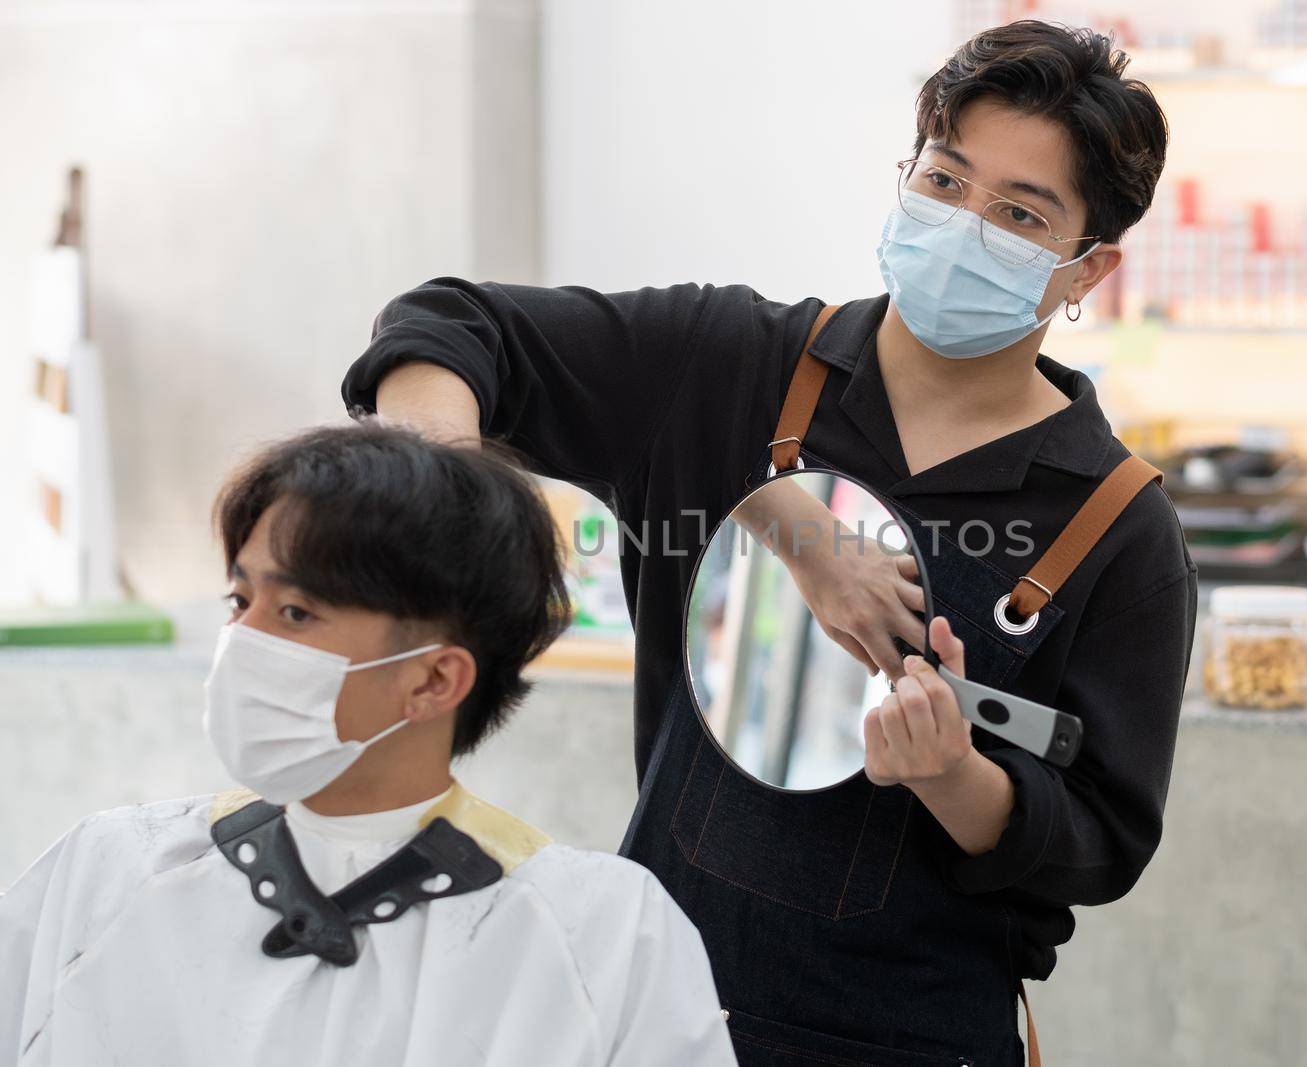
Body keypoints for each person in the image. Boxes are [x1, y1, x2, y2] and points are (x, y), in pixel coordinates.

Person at [341, 21, 1197, 1066]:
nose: (964, 225)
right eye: (945, 181)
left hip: (918, 1040)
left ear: (1086, 268)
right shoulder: (726, 365)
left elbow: (1100, 841)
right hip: (656, 1012)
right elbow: (450, 325)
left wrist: (954, 776)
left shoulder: (1116, 524)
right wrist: (433, 500)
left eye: (1019, 215)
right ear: (907, 174)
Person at [0, 425, 737, 1067]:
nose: (242, 641)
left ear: (433, 679)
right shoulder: (106, 872)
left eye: (295, 610)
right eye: (239, 599)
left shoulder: (602, 937)